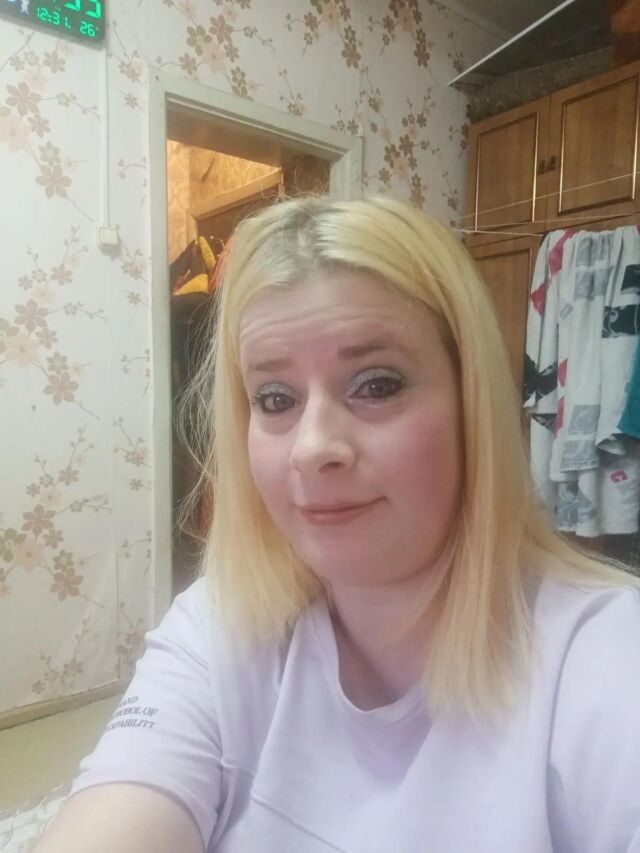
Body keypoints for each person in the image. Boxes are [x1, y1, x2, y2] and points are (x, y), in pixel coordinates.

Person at [34, 196, 640, 853]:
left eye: (376, 385)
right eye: (275, 398)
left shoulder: (605, 660)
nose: (312, 447)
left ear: (471, 403)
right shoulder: (221, 624)